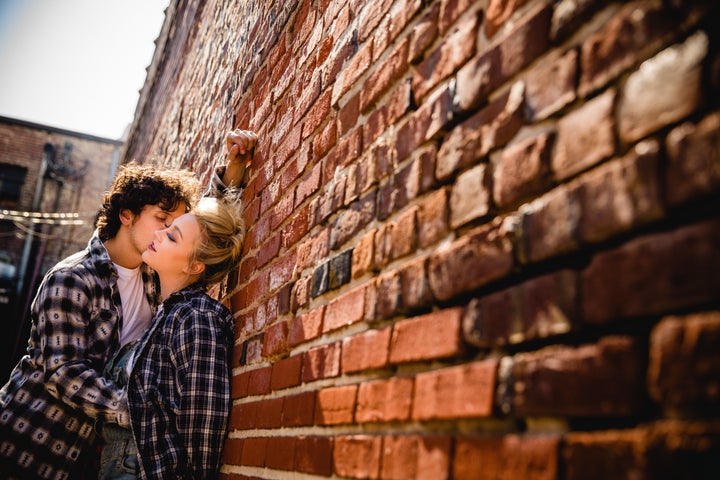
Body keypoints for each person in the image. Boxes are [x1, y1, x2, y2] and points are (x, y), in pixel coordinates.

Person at [0, 129, 257, 480]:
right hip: (27, 447)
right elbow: (62, 373)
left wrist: (232, 174)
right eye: (161, 221)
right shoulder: (72, 278)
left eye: (171, 227)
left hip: (89, 460)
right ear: (126, 215)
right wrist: (146, 411)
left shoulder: (156, 276)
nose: (163, 233)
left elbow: (197, 243)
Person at [99, 192, 244, 479]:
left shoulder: (197, 316)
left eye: (173, 236)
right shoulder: (166, 312)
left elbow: (203, 426)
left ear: (194, 266)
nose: (160, 233)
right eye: (168, 227)